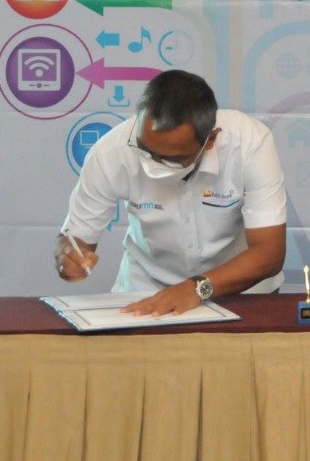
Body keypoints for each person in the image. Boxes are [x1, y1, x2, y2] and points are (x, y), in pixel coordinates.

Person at [54, 69, 287, 316]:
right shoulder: (110, 153)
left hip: (240, 291)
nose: (153, 163)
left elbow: (268, 254)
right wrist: (69, 258)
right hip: (145, 294)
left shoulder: (250, 144)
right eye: (145, 150)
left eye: (171, 159)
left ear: (210, 141)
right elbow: (75, 242)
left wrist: (196, 288)